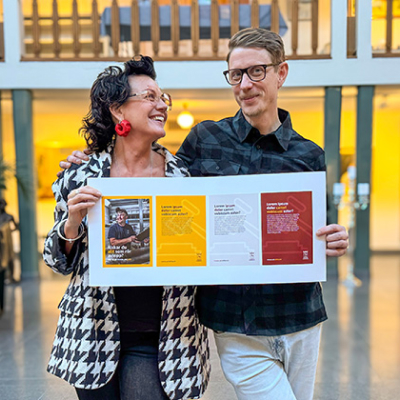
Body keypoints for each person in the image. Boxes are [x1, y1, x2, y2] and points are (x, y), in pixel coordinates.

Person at [60, 29, 348, 400]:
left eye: (256, 71)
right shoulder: (205, 140)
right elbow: (158, 187)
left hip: (299, 313)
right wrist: (91, 156)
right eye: (236, 74)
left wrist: (334, 238)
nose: (245, 84)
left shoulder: (310, 155)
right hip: (232, 319)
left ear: (281, 73)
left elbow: (319, 229)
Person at [43, 55, 210, 400]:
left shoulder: (182, 177)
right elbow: (57, 261)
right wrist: (72, 223)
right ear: (118, 110)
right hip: (93, 331)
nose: (162, 105)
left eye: (163, 97)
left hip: (164, 333)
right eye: (150, 96)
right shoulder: (82, 175)